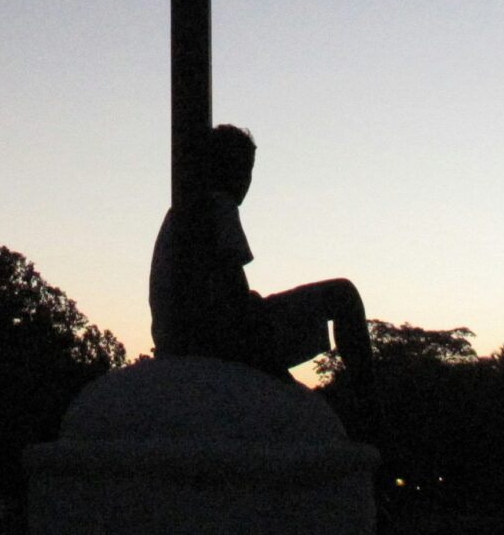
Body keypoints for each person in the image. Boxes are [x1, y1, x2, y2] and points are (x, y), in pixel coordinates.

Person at [149, 124, 375, 418]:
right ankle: (368, 403)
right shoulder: (218, 204)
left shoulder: (184, 210)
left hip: (183, 336)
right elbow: (234, 302)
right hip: (217, 340)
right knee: (342, 295)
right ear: (223, 167)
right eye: (242, 168)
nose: (246, 180)